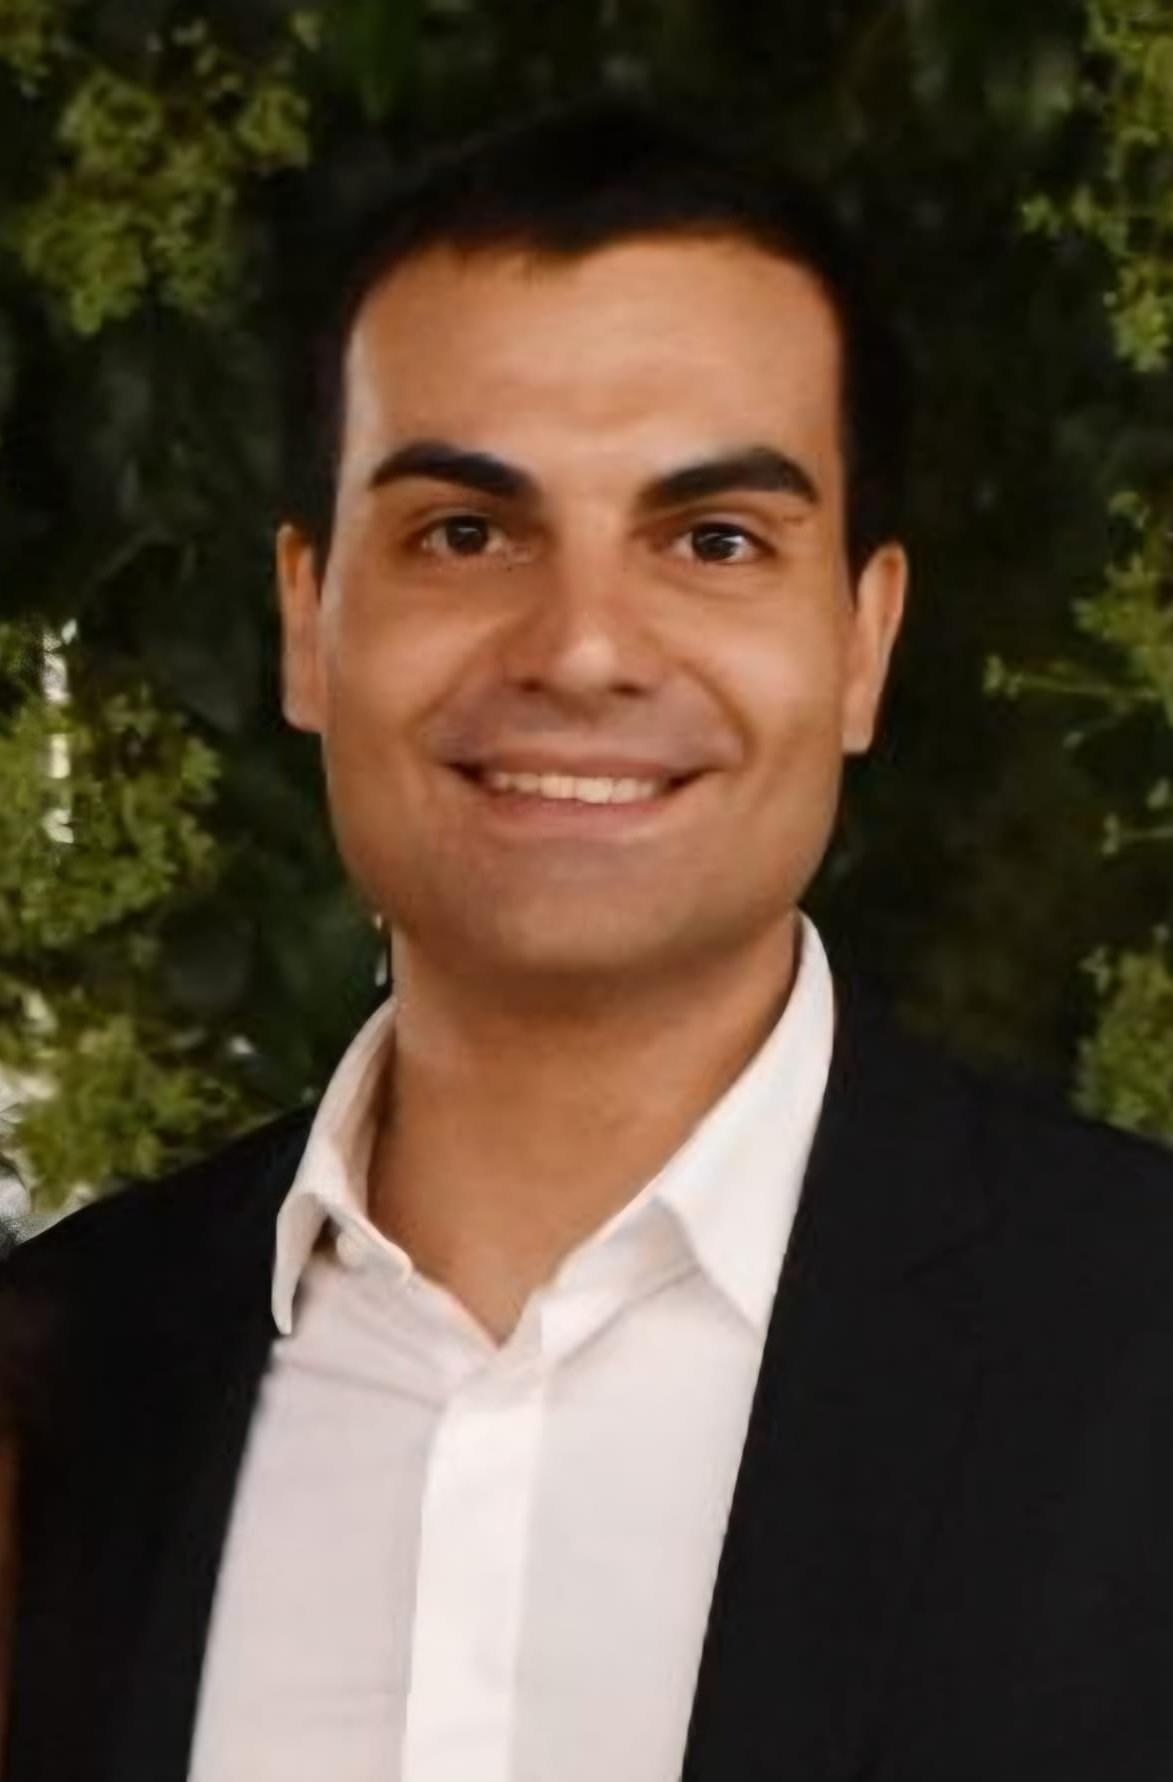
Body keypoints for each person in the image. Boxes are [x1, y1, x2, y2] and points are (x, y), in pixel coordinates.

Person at [1, 100, 1170, 1782]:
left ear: (863, 640)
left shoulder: (1135, 1345)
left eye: (712, 541)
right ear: (307, 621)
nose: (582, 647)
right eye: (465, 532)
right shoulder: (65, 1376)